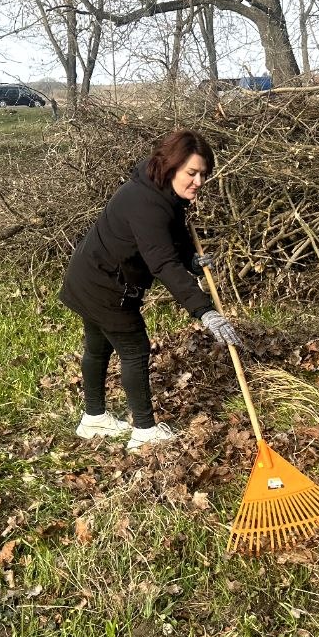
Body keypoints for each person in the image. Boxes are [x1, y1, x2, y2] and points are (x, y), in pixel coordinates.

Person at [59, 129, 240, 452]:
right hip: (104, 284)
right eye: (192, 173)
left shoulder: (160, 190)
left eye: (203, 174)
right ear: (171, 167)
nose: (198, 181)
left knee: (98, 348)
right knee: (134, 350)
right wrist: (205, 310)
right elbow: (163, 263)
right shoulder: (146, 203)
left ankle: (94, 418)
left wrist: (192, 260)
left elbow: (173, 233)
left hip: (90, 274)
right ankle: (144, 430)